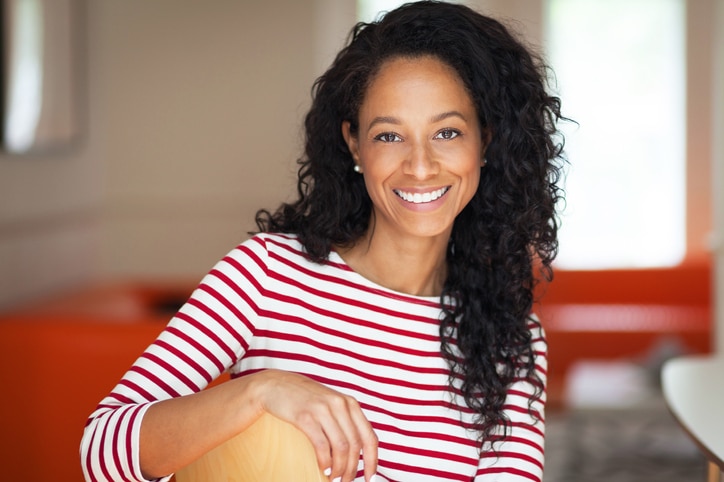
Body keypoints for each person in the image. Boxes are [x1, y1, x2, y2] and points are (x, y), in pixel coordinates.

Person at [80, 1, 565, 481]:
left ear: (486, 142)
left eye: (447, 132)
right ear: (355, 144)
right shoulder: (265, 275)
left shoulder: (514, 342)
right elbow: (99, 448)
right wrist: (260, 392)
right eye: (390, 136)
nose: (420, 166)